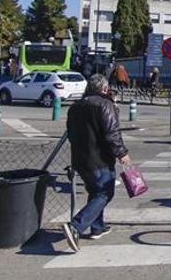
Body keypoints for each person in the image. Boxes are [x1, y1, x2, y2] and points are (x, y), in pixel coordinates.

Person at [61, 74, 132, 253]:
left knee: (95, 192)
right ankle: (76, 226)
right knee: (104, 193)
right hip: (99, 158)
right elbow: (112, 132)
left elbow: (70, 132)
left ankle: (97, 227)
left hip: (80, 158)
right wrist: (122, 153)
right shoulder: (105, 104)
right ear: (104, 89)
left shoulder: (75, 107)